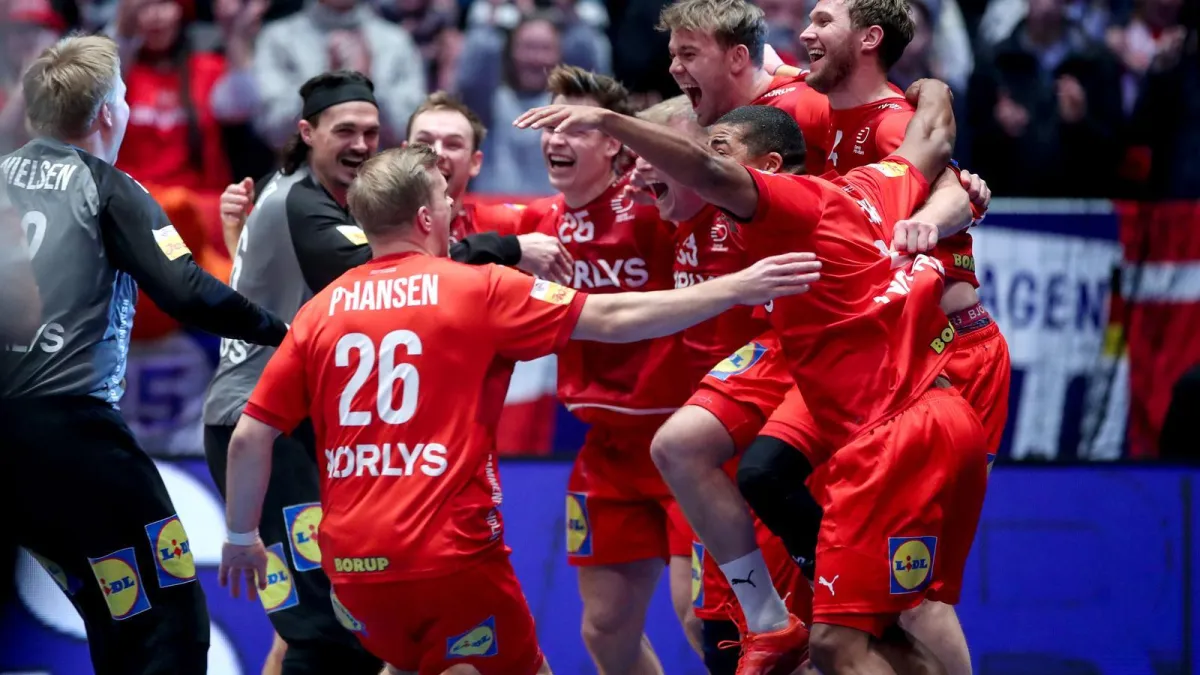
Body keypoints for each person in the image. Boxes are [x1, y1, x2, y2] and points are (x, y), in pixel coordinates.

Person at [216, 144, 823, 675]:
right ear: (426, 217)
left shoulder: (319, 311)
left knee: (410, 664)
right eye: (445, 200)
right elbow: (612, 317)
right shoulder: (474, 286)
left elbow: (248, 436)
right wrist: (738, 287)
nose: (452, 207)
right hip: (450, 556)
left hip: (352, 569)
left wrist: (242, 536)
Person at [515, 77, 987, 674]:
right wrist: (936, 93)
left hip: (887, 424)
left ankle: (776, 617)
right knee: (854, 629)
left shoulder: (787, 205)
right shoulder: (869, 184)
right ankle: (773, 619)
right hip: (920, 410)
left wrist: (610, 122)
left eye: (717, 148)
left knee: (857, 632)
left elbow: (708, 170)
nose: (700, 159)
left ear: (767, 168)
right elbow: (930, 140)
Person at [647, 0, 987, 667]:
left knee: (901, 606)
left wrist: (944, 211)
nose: (675, 67)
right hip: (817, 346)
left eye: (688, 54)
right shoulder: (745, 120)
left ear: (735, 58)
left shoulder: (817, 113)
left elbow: (944, 171)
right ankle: (784, 613)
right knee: (729, 474)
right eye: (672, 55)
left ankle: (820, 606)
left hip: (912, 357)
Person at [204, 76, 571, 675]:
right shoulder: (304, 201)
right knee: (322, 629)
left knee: (334, 624)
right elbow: (379, 269)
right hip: (263, 421)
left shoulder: (311, 197)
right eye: (345, 131)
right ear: (307, 132)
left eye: (371, 133)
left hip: (312, 429)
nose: (361, 144)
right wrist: (507, 250)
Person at [733, 3, 1012, 673]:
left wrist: (929, 218)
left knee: (913, 596)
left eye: (822, 20)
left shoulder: (894, 123)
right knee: (766, 472)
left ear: (868, 38)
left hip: (947, 356)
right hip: (869, 359)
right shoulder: (813, 105)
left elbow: (957, 190)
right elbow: (750, 74)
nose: (804, 32)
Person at [0, 34, 288, 675]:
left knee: (112, 611)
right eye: (125, 97)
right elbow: (186, 290)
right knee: (167, 612)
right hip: (74, 434)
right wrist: (284, 330)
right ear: (108, 112)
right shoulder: (108, 187)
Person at [516, 65, 698, 675]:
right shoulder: (537, 227)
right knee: (605, 629)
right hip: (608, 451)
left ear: (614, 141)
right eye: (549, 125)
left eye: (574, 127)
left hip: (687, 441)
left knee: (702, 617)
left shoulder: (657, 209)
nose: (555, 138)